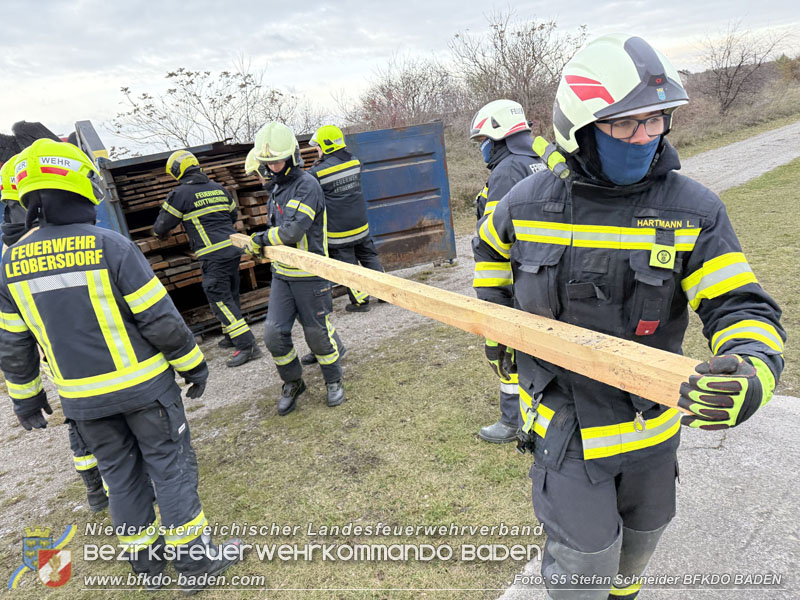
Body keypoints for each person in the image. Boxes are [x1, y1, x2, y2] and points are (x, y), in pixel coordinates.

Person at [473, 34, 785, 599]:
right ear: (579, 127)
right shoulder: (525, 204)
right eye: (624, 123)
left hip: (650, 430)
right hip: (564, 430)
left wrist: (753, 368)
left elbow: (737, 304)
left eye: (655, 120)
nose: (644, 136)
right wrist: (496, 325)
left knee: (637, 553)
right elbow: (490, 254)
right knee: (583, 570)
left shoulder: (693, 211)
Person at [0, 140, 242, 591]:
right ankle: (195, 565)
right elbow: (159, 319)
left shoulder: (10, 263)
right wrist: (193, 364)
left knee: (120, 479)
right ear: (79, 186)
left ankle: (148, 570)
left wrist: (26, 398)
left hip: (83, 404)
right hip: (145, 391)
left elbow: (13, 342)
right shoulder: (110, 245)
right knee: (169, 467)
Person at [1, 155, 108, 512]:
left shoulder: (12, 249)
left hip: (55, 354)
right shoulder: (45, 236)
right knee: (99, 421)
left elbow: (13, 340)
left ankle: (96, 489)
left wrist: (25, 397)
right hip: (88, 345)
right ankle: (108, 487)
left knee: (81, 420)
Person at [248, 122, 345, 415]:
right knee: (273, 335)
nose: (272, 168)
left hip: (310, 275)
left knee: (317, 335)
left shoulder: (307, 185)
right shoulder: (277, 188)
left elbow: (292, 231)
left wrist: (261, 239)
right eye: (268, 163)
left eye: (277, 161)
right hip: (283, 275)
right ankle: (293, 382)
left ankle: (333, 380)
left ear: (292, 156)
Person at [470, 99, 545, 444]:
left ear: (497, 136)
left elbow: (493, 240)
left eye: (482, 140)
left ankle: (513, 419)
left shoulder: (507, 171)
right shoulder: (538, 160)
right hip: (537, 274)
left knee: (505, 350)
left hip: (511, 278)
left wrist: (491, 301)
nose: (482, 148)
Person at [154, 150, 260, 367]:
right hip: (232, 249)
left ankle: (247, 345)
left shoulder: (180, 194)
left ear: (177, 171)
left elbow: (162, 226)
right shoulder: (219, 189)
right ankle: (231, 335)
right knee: (230, 295)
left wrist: (158, 234)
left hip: (212, 254)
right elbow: (232, 216)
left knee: (219, 299)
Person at [307, 125, 383, 314]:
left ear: (326, 146)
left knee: (348, 266)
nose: (317, 151)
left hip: (339, 231)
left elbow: (308, 188)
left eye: (318, 147)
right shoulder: (354, 161)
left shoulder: (317, 173)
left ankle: (360, 302)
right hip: (360, 224)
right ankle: (386, 292)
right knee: (369, 256)